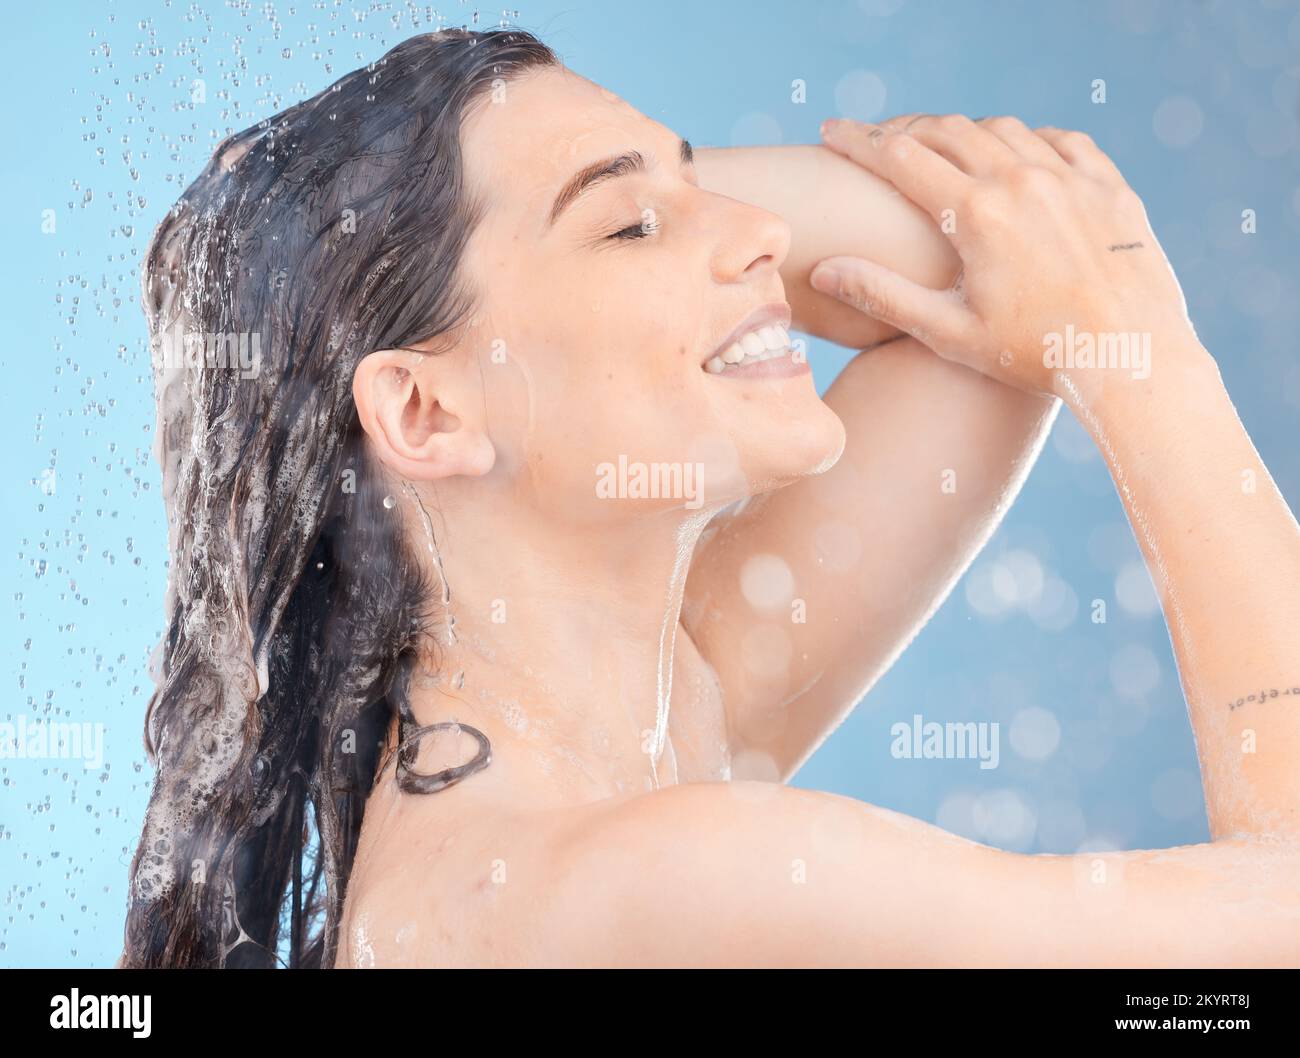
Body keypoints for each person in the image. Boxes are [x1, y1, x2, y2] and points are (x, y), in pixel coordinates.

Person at [121, 28, 1300, 969]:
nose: (762, 233)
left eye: (702, 180)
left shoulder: (661, 726)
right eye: (633, 225)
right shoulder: (658, 878)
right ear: (424, 414)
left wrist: (380, 270)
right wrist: (1147, 354)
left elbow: (974, 256)